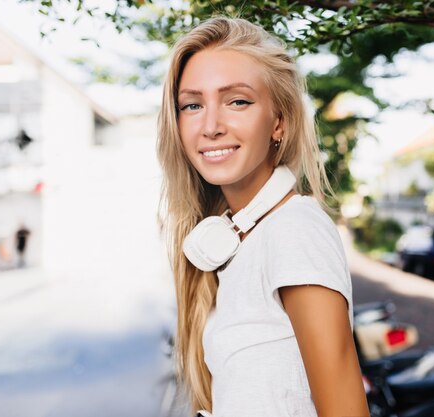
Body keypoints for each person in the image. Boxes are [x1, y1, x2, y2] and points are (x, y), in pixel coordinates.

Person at [156, 17, 369, 417]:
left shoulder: (293, 230)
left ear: (279, 122)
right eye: (192, 105)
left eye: (237, 101)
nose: (211, 126)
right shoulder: (241, 241)